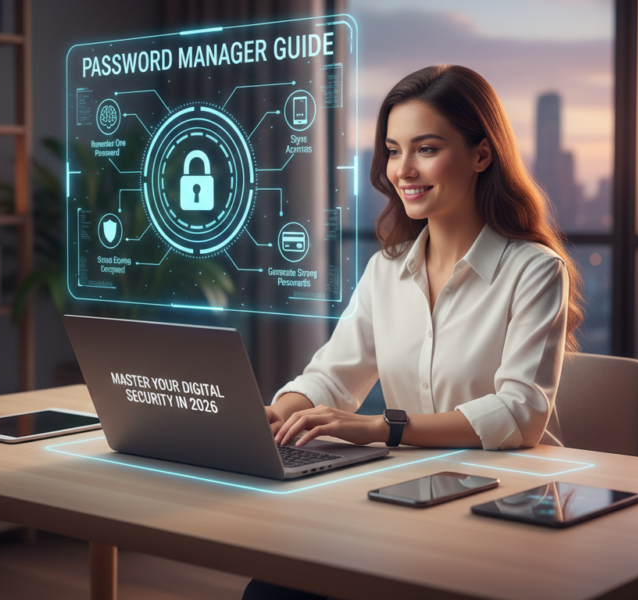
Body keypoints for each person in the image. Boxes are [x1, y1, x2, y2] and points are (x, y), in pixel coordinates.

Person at [243, 64, 583, 600]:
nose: (404, 169)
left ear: (481, 154)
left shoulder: (535, 269)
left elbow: (521, 414)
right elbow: (333, 375)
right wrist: (276, 415)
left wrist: (384, 427)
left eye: (426, 148)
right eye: (394, 150)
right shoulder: (387, 268)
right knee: (276, 590)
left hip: (508, 508)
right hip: (411, 497)